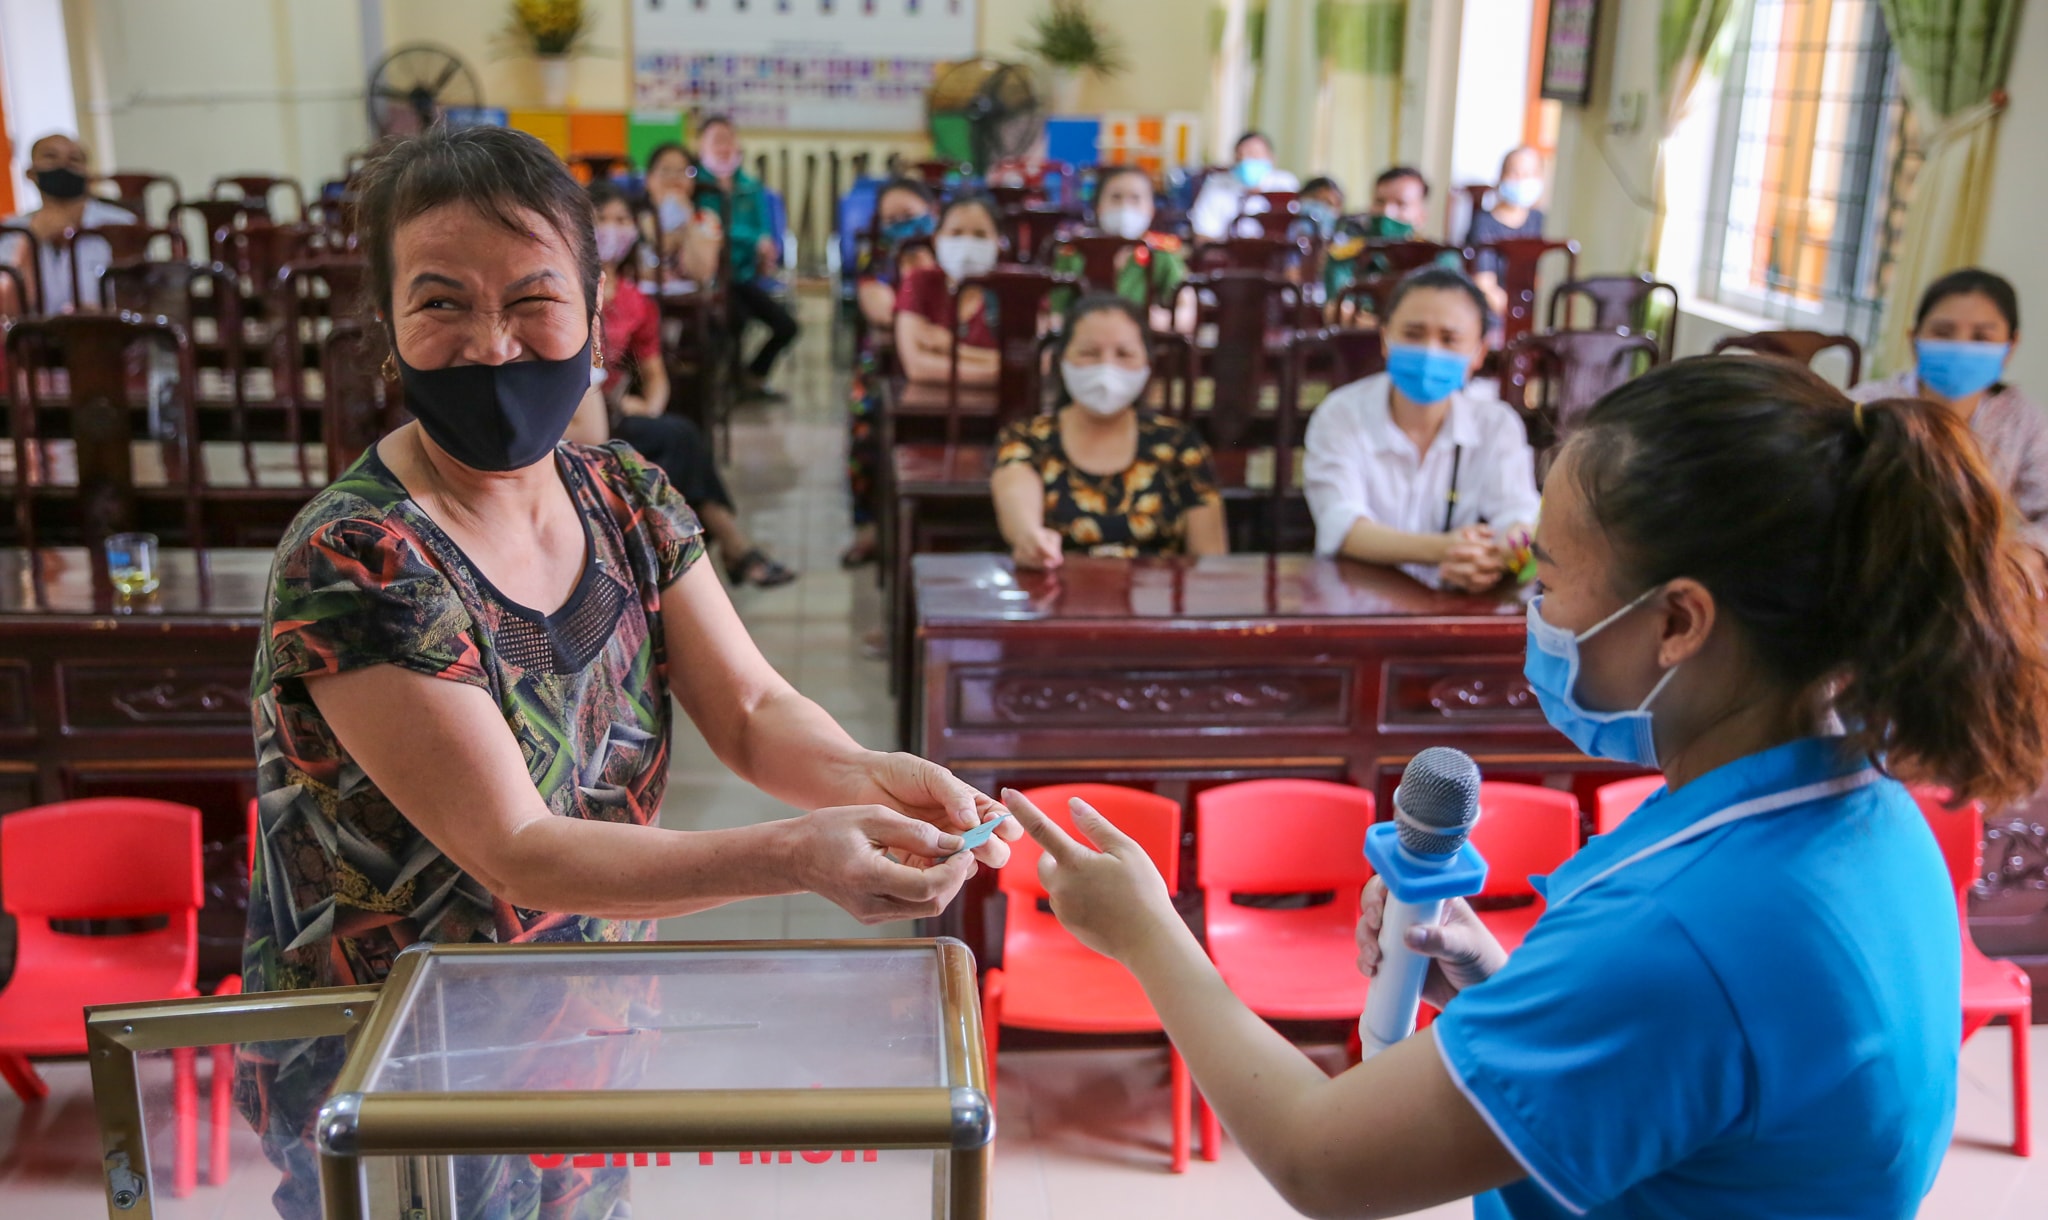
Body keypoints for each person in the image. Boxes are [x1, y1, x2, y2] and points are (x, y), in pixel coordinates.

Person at [1002, 353, 2048, 1218]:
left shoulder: (1684, 933)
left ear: (1677, 620)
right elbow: (1690, 1081)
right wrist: (1507, 987)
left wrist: (1145, 929)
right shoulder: (1864, 813)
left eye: (1547, 579)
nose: (1533, 614)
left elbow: (1323, 1159)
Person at [237, 126, 1016, 1220]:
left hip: (581, 1044)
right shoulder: (359, 555)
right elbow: (515, 850)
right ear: (388, 333)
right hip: (401, 1081)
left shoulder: (627, 497)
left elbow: (749, 708)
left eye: (531, 298)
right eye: (443, 303)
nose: (495, 345)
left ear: (597, 315)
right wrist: (799, 854)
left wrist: (871, 779)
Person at [573, 179, 793, 587]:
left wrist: (649, 406)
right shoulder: (570, 288)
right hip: (573, 418)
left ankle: (683, 566)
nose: (611, 228)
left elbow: (654, 374)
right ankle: (726, 551)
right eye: (600, 218)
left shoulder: (636, 300)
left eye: (621, 219)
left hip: (618, 411)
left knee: (674, 445)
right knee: (680, 442)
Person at [1304, 267, 1538, 590]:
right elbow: (1342, 527)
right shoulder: (1340, 415)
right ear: (1385, 339)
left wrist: (1500, 556)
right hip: (1357, 601)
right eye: (1413, 334)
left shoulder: (1496, 425)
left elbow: (1523, 519)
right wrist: (1445, 550)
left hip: (1457, 603)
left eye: (1449, 339)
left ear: (1478, 354)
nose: (1430, 351)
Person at [991, 294, 1225, 570]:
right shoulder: (1027, 438)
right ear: (1062, 359)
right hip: (1059, 602)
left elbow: (1211, 558)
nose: (1106, 367)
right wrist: (1030, 539)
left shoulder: (1179, 444)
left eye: (1124, 354)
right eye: (1090, 353)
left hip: (1155, 607)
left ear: (1147, 364)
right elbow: (1017, 503)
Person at [1851, 268, 2048, 586]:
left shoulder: (2023, 421)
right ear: (1913, 340)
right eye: (1943, 332)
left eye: (1982, 337)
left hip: (1977, 584)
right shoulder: (1866, 406)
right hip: (1874, 575)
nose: (1961, 346)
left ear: (2010, 346)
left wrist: (2030, 552)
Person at [843, 177, 939, 567]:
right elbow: (880, 310)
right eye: (892, 218)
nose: (902, 224)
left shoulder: (950, 253)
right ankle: (868, 526)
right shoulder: (877, 260)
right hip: (886, 364)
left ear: (932, 215)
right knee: (865, 418)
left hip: (943, 362)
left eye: (911, 215)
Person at [692, 115, 798, 400]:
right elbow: (711, 229)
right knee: (732, 319)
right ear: (701, 144)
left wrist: (766, 251)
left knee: (787, 326)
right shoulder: (696, 186)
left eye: (729, 139)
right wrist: (754, 239)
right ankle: (725, 383)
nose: (724, 146)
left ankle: (752, 377)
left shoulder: (751, 186)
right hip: (710, 278)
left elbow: (764, 229)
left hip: (743, 276)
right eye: (716, 140)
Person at [0, 132, 135, 313]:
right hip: (32, 335)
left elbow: (140, 294)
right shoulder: (10, 230)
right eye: (50, 156)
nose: (63, 165)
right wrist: (31, 240)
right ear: (30, 173)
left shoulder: (122, 224)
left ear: (88, 174)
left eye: (74, 159)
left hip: (106, 332)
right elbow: (6, 306)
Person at [1050, 164, 1190, 332]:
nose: (1125, 206)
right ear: (1098, 206)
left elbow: (1187, 308)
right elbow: (1054, 314)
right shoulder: (1073, 252)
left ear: (1151, 209)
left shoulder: (1162, 252)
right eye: (1116, 197)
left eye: (1135, 199)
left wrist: (1163, 321)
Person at [893, 192, 1003, 387]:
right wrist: (997, 370)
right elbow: (917, 367)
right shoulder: (919, 282)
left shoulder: (1014, 291)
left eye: (979, 235)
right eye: (956, 233)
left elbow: (1036, 363)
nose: (967, 245)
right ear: (936, 240)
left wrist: (950, 347)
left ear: (998, 242)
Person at [1465, 145, 1548, 319]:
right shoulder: (1484, 223)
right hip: (1496, 317)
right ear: (1501, 176)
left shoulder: (1542, 221)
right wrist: (1516, 314)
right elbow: (1485, 284)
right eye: (1514, 173)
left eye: (1528, 174)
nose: (1520, 180)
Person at [1188, 130, 1302, 241]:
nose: (1245, 160)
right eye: (1240, 156)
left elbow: (1296, 231)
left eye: (1253, 155)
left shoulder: (1285, 184)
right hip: (1228, 255)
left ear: (1271, 158)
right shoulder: (1217, 184)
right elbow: (1203, 234)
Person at [638, 140, 722, 287]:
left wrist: (688, 218)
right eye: (665, 170)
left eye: (683, 171)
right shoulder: (631, 218)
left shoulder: (705, 219)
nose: (674, 178)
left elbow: (702, 274)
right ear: (648, 179)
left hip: (692, 305)